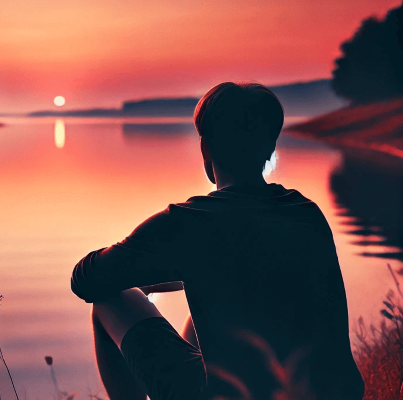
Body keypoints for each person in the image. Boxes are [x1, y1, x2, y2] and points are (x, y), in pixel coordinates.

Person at [71, 82, 365, 400]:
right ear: (269, 148)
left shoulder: (190, 222)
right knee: (198, 321)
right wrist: (185, 268)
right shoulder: (306, 214)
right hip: (326, 393)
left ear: (205, 149)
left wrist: (143, 277)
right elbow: (240, 259)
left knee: (110, 299)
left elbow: (86, 280)